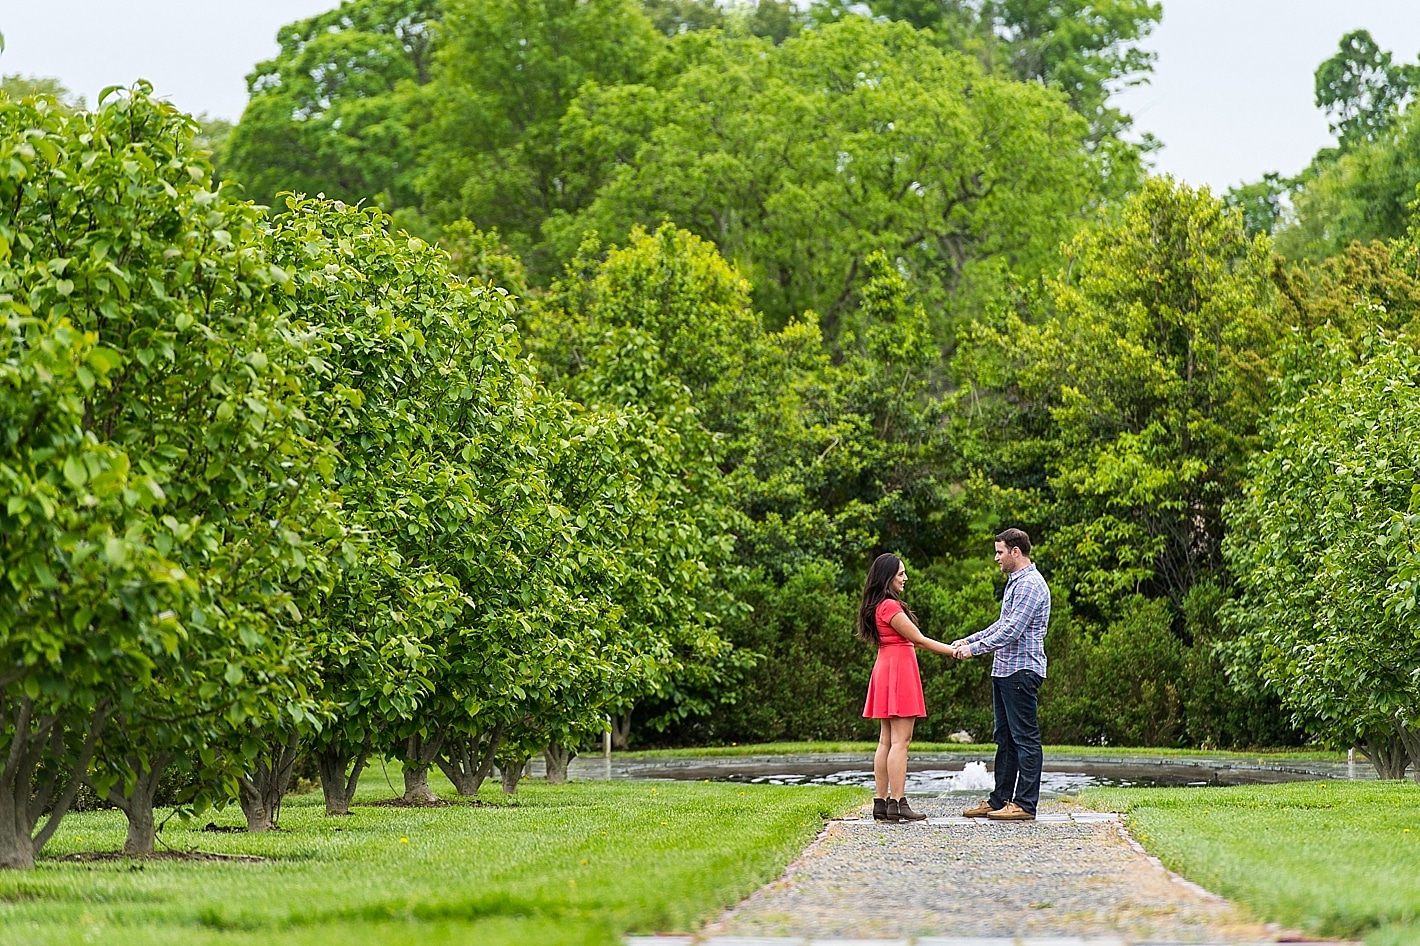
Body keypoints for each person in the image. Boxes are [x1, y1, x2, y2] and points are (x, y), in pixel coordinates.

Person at [952, 528, 1051, 822]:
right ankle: (1000, 800)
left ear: (1015, 552)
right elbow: (1001, 624)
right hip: (1006, 670)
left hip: (1022, 671)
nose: (996, 558)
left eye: (999, 552)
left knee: (1025, 738)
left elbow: (1012, 631)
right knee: (1005, 739)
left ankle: (1025, 804)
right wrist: (969, 640)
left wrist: (975, 650)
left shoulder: (1031, 584)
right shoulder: (1015, 583)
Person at [859, 552, 959, 824]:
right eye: (900, 573)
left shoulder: (876, 605)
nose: (905, 578)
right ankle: (898, 802)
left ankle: (881, 803)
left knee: (886, 740)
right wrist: (953, 651)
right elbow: (920, 640)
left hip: (885, 667)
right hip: (899, 670)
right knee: (901, 742)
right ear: (888, 577)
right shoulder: (890, 607)